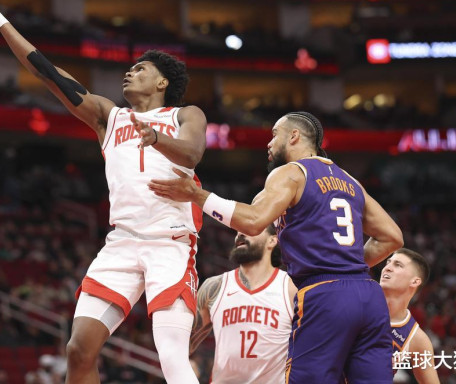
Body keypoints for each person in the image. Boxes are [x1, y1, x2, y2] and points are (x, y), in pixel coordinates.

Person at [0, 0, 207, 384]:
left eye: (139, 69)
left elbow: (192, 153)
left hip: (169, 243)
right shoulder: (109, 117)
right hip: (122, 242)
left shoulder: (185, 114)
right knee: (78, 349)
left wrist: (156, 138)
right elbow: (48, 73)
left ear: (162, 81)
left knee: (172, 355)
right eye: (129, 69)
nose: (129, 73)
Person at [149, 111, 404, 383]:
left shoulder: (291, 173)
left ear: (294, 136)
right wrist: (346, 266)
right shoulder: (351, 181)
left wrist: (196, 195)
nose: (269, 144)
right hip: (369, 295)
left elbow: (253, 222)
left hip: (325, 294)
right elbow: (393, 237)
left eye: (274, 135)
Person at [190, 223, 296, 384]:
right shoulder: (214, 287)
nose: (240, 233)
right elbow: (182, 344)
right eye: (238, 230)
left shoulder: (290, 288)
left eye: (250, 229)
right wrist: (185, 365)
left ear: (272, 240)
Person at [380, 249, 439, 384]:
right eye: (388, 263)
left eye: (398, 265)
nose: (387, 268)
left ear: (415, 281)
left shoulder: (416, 338)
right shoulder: (357, 297)